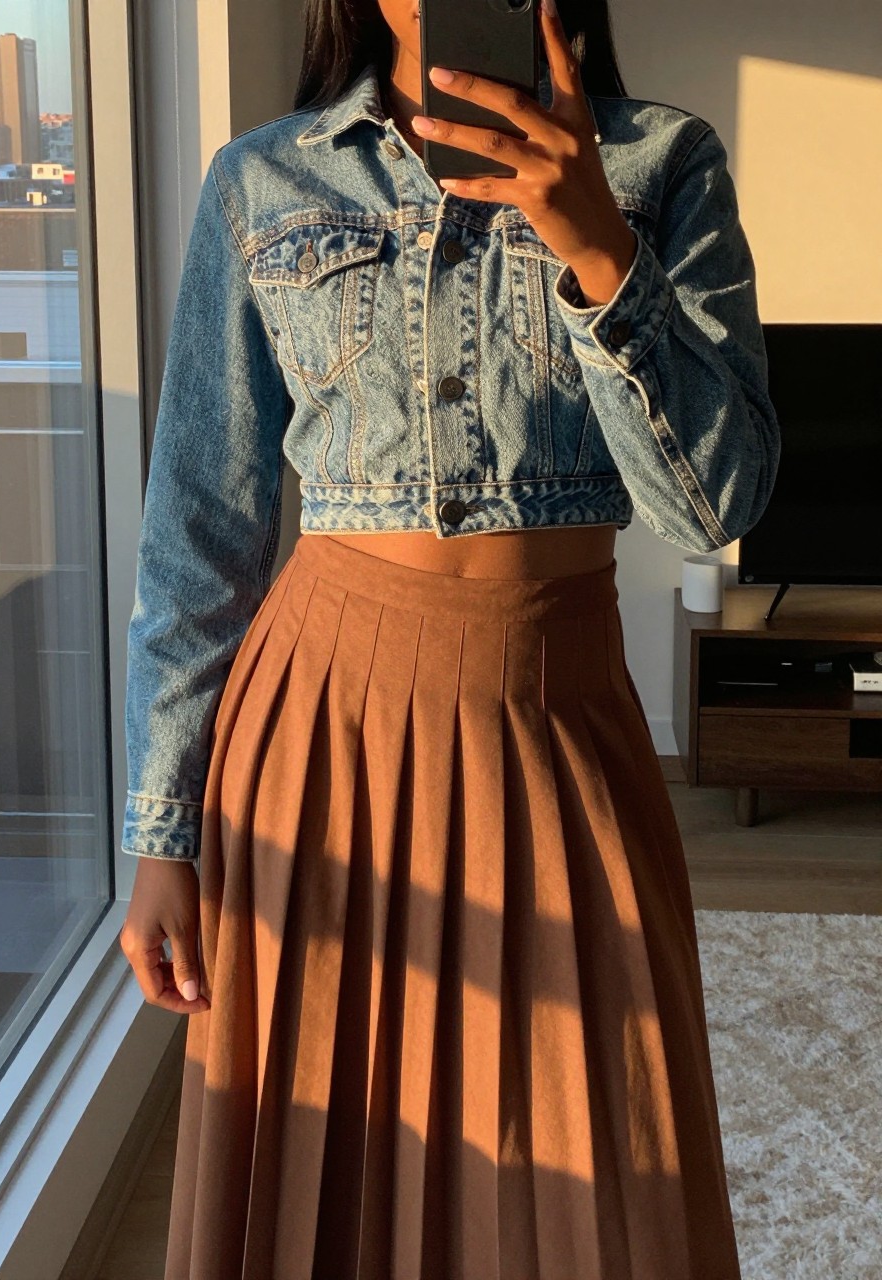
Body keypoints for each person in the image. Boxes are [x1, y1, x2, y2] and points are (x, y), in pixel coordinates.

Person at [119, 0, 780, 1274]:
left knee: (602, 1178)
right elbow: (200, 530)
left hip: (556, 726)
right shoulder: (263, 179)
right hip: (319, 735)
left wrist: (595, 245)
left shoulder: (662, 165)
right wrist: (162, 831)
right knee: (330, 1169)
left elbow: (715, 505)